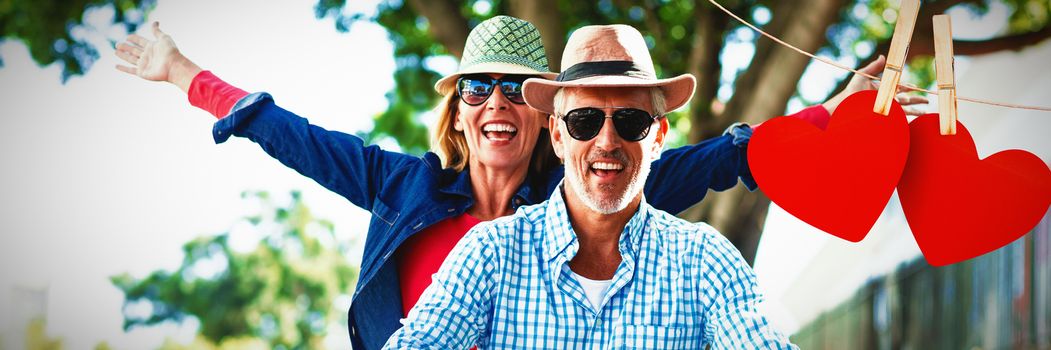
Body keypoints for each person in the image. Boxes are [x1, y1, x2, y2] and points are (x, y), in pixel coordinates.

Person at [114, 15, 923, 349]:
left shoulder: (593, 185)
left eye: (513, 89)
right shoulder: (401, 189)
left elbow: (730, 155)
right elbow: (285, 133)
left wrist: (832, 115)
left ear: (541, 117)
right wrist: (184, 71)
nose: (495, 101)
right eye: (477, 88)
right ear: (459, 112)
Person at [385, 24, 797, 349]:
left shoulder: (703, 260)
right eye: (584, 120)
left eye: (631, 121)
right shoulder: (491, 252)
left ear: (657, 136)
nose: (606, 141)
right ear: (559, 136)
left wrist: (831, 114)